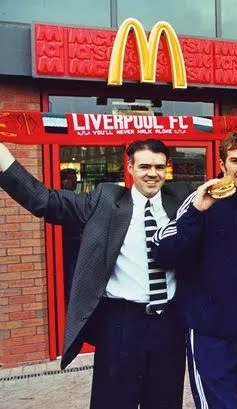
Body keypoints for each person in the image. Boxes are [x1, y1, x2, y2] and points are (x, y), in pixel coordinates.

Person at [0, 139, 192, 409]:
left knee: (165, 402)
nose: (153, 173)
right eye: (145, 166)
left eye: (159, 167)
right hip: (120, 324)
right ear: (130, 167)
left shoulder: (182, 201)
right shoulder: (105, 201)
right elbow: (45, 201)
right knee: (113, 402)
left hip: (168, 324)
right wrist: (3, 157)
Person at [153, 132, 237, 409]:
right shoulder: (199, 202)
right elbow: (164, 253)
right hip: (209, 332)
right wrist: (196, 213)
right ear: (222, 164)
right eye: (235, 160)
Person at [59, 168, 80, 306]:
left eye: (75, 180)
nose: (74, 182)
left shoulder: (73, 197)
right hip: (65, 241)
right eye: (71, 179)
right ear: (63, 180)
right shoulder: (62, 198)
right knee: (70, 269)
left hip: (75, 239)